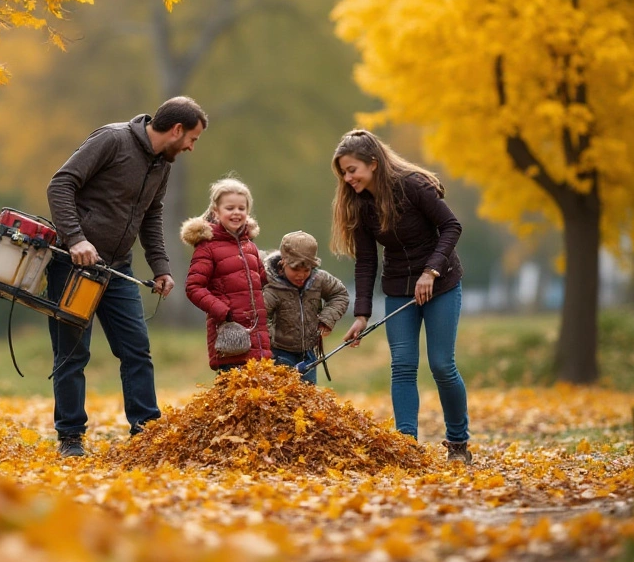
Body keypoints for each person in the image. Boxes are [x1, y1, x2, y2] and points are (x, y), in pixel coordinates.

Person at [45, 96, 206, 457]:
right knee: (72, 354)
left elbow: (151, 216)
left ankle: (146, 435)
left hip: (118, 269)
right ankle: (70, 438)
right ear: (176, 130)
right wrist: (76, 239)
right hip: (74, 267)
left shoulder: (161, 164)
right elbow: (60, 185)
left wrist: (161, 267)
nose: (191, 147)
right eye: (192, 139)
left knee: (137, 351)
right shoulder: (112, 140)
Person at [330, 129, 473, 465]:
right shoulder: (361, 205)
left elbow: (451, 226)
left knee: (441, 365)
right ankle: (406, 448)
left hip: (441, 284)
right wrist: (361, 315)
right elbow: (366, 261)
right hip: (398, 289)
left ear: (374, 163)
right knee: (403, 366)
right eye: (343, 173)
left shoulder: (413, 186)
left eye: (352, 170)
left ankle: (457, 444)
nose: (348, 178)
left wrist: (431, 272)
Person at [182, 177, 272, 372]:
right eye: (230, 208)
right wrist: (223, 311)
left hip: (258, 336)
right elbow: (193, 287)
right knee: (233, 396)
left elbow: (264, 282)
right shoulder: (207, 247)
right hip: (230, 338)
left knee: (259, 396)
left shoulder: (251, 247)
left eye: (241, 208)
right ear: (216, 212)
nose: (236, 213)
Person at [263, 231, 349, 385]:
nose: (301, 275)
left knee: (307, 398)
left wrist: (327, 319)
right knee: (284, 398)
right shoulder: (272, 287)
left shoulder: (320, 279)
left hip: (309, 355)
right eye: (295, 269)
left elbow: (340, 294)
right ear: (283, 262)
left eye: (306, 270)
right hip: (279, 354)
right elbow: (262, 316)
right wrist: (268, 348)